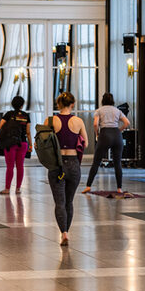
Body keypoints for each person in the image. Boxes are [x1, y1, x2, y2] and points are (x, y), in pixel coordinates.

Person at [48, 92, 88, 246]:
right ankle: (67, 231)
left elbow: (42, 142)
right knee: (69, 201)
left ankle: (63, 232)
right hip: (73, 165)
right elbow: (86, 143)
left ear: (58, 104)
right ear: (72, 104)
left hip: (57, 165)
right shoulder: (78, 121)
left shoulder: (51, 120)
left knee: (59, 202)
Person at [83, 92, 130, 195]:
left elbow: (95, 124)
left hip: (104, 134)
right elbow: (127, 122)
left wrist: (97, 134)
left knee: (96, 162)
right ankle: (119, 188)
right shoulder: (117, 110)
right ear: (112, 100)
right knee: (118, 163)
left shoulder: (99, 111)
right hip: (117, 135)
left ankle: (88, 186)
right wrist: (119, 130)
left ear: (102, 100)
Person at [0, 96, 31, 195]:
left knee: (10, 166)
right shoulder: (26, 116)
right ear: (22, 105)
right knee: (20, 166)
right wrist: (30, 145)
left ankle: (7, 189)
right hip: (23, 143)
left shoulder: (9, 115)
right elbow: (28, 132)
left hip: (10, 144)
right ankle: (18, 189)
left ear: (12, 104)